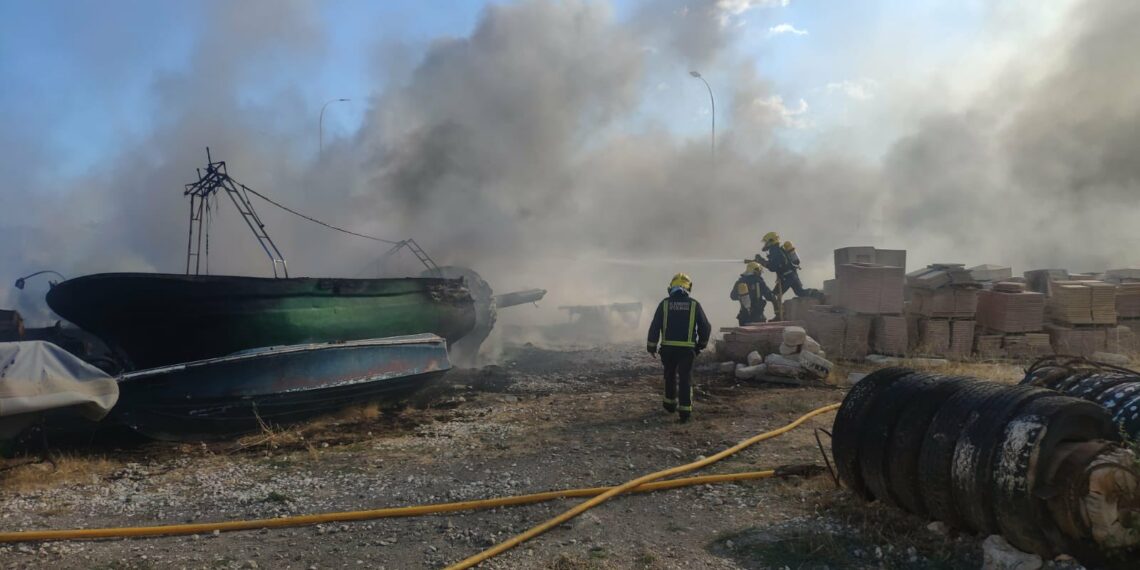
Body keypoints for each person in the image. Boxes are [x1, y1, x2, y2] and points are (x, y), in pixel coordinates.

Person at [647, 273, 711, 423]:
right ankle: (685, 411)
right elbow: (705, 327)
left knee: (669, 375)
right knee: (685, 378)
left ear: (671, 288)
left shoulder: (664, 304)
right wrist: (700, 346)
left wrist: (651, 346)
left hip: (668, 349)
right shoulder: (694, 304)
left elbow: (655, 326)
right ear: (689, 288)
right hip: (687, 350)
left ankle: (669, 404)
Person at [754, 231, 822, 301]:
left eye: (766, 242)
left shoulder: (774, 250)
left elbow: (773, 267)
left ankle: (780, 311)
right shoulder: (780, 249)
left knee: (773, 295)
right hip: (792, 275)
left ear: (771, 240)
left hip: (786, 278)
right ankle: (816, 294)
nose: (765, 244)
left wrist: (761, 261)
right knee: (800, 292)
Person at [730, 261, 776, 325]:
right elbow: (769, 296)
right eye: (759, 271)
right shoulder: (759, 281)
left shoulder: (740, 281)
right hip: (757, 316)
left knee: (744, 334)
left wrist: (744, 297)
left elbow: (733, 296)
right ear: (755, 271)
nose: (760, 273)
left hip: (744, 316)